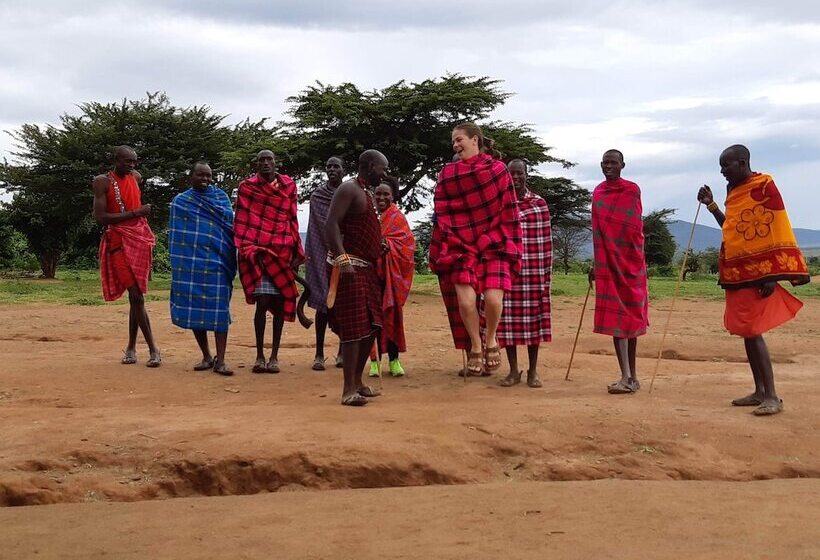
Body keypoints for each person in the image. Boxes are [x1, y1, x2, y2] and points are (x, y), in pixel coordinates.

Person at [697, 145, 809, 416]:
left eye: (727, 165)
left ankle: (772, 395)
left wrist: (770, 273)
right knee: (747, 331)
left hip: (759, 274)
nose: (723, 171)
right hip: (737, 270)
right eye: (721, 166)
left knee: (753, 331)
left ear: (743, 162)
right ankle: (759, 390)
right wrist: (711, 204)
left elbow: (775, 226)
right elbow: (734, 229)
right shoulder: (732, 191)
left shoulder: (764, 184)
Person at [429, 122, 522, 376]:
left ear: (475, 140)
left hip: (494, 243)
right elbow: (443, 210)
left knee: (493, 300)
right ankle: (476, 346)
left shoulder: (497, 170)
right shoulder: (448, 173)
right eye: (453, 142)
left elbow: (508, 209)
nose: (456, 145)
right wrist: (445, 243)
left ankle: (491, 339)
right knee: (467, 302)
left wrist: (495, 238)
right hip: (460, 245)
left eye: (459, 140)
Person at [325, 150, 388, 406]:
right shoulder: (349, 189)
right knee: (353, 330)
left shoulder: (367, 193)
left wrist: (378, 244)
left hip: (367, 269)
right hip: (349, 268)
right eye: (383, 168)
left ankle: (359, 382)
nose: (385, 173)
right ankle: (347, 389)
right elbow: (331, 225)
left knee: (371, 327)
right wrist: (342, 258)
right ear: (371, 166)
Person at [234, 150, 304, 374]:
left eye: (269, 160)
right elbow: (243, 221)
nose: (265, 163)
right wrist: (250, 249)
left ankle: (274, 355)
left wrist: (295, 253)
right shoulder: (247, 187)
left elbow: (291, 218)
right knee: (262, 302)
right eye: (261, 160)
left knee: (281, 302)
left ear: (275, 163)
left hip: (282, 250)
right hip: (259, 253)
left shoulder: (288, 186)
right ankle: (259, 355)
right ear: (257, 164)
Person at [92, 145, 161, 367]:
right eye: (126, 161)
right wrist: (135, 213)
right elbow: (101, 217)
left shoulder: (136, 177)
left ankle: (131, 348)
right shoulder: (102, 182)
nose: (131, 166)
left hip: (139, 239)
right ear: (116, 160)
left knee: (136, 297)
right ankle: (153, 349)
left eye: (134, 162)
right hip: (118, 242)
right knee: (136, 296)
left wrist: (138, 216)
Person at [169, 162, 237, 376]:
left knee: (219, 311)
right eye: (200, 175)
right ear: (191, 177)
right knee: (195, 310)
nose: (205, 179)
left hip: (218, 262)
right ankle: (207, 356)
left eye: (208, 176)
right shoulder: (181, 202)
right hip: (190, 265)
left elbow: (230, 228)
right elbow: (177, 236)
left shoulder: (221, 198)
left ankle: (222, 360)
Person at [589, 149, 648, 394]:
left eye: (613, 163)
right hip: (608, 264)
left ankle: (631, 377)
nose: (608, 166)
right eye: (605, 163)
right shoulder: (599, 193)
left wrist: (630, 257)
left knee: (631, 320)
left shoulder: (631, 189)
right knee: (617, 320)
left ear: (623, 165)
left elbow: (634, 228)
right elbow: (599, 233)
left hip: (631, 263)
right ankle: (625, 375)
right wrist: (597, 263)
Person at [495, 160, 552, 389]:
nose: (516, 177)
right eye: (512, 174)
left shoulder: (539, 204)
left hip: (533, 274)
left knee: (533, 323)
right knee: (508, 323)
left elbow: (546, 243)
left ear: (527, 175)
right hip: (507, 272)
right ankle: (512, 370)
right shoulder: (500, 203)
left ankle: (533, 370)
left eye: (520, 173)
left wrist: (546, 274)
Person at [368, 176, 416, 378]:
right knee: (371, 320)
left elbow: (407, 246)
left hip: (391, 277)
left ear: (393, 196)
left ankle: (394, 361)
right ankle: (373, 361)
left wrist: (389, 246)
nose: (381, 197)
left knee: (392, 318)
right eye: (378, 193)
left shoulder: (397, 217)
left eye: (386, 194)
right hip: (371, 276)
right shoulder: (367, 216)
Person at [305, 157, 345, 371]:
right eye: (328, 166)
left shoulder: (349, 193)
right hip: (321, 252)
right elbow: (316, 227)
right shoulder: (318, 196)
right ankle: (319, 353)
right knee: (322, 303)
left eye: (335, 166)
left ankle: (342, 351)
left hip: (345, 251)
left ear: (343, 170)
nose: (331, 169)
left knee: (343, 303)